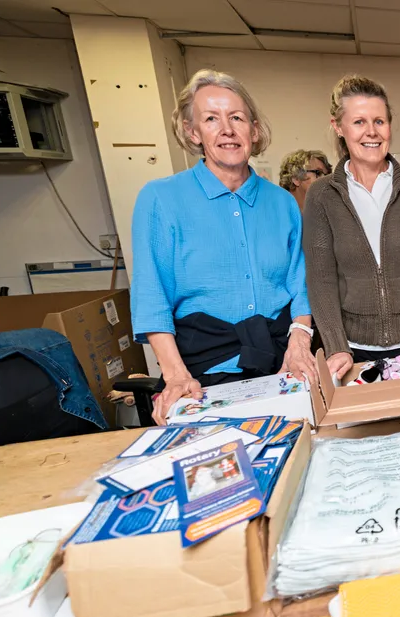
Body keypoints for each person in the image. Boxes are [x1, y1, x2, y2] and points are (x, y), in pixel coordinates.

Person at [132, 70, 317, 425]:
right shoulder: (160, 198)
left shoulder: (282, 202)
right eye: (211, 119)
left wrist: (299, 344)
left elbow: (301, 285)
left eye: (237, 118)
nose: (227, 129)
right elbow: (151, 297)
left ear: (254, 130)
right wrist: (175, 375)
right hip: (202, 374)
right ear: (192, 132)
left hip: (282, 365)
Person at [304, 74, 400, 378]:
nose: (371, 132)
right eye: (359, 122)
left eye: (379, 121)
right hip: (352, 350)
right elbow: (321, 278)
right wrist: (335, 345)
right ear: (338, 126)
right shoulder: (321, 195)